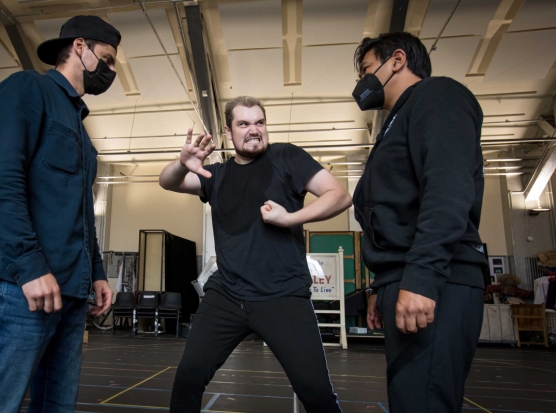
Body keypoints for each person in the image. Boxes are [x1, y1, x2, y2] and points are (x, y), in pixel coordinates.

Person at [159, 96, 353, 413]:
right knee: (187, 379)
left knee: (316, 392)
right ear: (229, 131)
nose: (254, 130)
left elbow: (340, 195)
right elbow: (167, 182)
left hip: (283, 293)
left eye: (259, 122)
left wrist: (289, 218)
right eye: (244, 124)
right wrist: (182, 163)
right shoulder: (216, 175)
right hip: (227, 294)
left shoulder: (286, 157)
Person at [0, 15, 117, 413]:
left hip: (70, 293)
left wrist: (97, 272)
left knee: (57, 407)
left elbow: (84, 214)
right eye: (108, 58)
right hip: (23, 288)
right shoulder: (26, 89)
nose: (112, 71)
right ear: (80, 47)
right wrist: (30, 266)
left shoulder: (83, 133)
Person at [351, 32, 488, 412]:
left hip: (436, 279)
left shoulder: (438, 96)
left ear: (396, 60)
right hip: (408, 277)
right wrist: (383, 286)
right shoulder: (395, 123)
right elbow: (396, 210)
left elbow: (446, 189)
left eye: (366, 69)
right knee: (410, 399)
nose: (362, 82)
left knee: (423, 403)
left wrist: (421, 278)